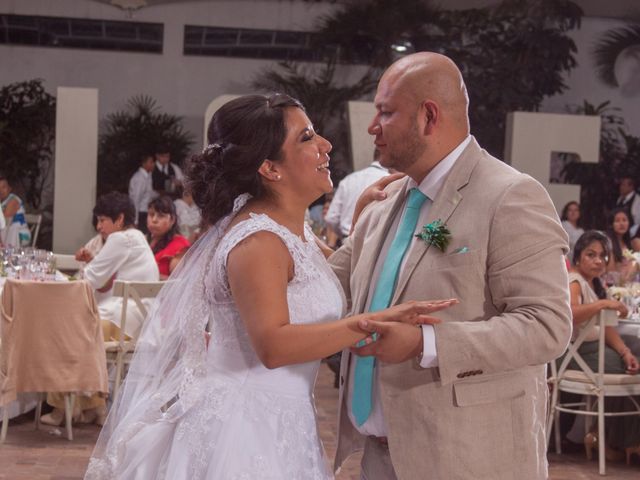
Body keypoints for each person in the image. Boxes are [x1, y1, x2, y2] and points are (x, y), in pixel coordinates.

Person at [84, 94, 455, 480]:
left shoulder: (295, 233)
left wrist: (362, 221)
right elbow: (273, 346)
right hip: (242, 429)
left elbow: (334, 279)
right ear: (269, 168)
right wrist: (369, 323)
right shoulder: (258, 242)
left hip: (283, 421)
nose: (325, 145)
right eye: (307, 138)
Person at [329, 52, 572, 480]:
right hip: (377, 458)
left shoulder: (511, 195)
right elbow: (330, 283)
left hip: (466, 459)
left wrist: (425, 342)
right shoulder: (386, 199)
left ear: (428, 117)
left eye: (385, 112)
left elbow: (547, 325)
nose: (373, 127)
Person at [42, 192, 159, 428]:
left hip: (122, 319)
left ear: (119, 219)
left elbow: (91, 279)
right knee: (76, 329)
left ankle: (63, 408)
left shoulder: (120, 239)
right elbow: (101, 278)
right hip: (138, 320)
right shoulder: (137, 237)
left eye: (103, 220)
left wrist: (57, 281)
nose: (99, 226)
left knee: (64, 334)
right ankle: (95, 406)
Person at [564, 230, 640, 461]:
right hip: (578, 354)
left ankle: (607, 437)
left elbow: (606, 329)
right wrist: (604, 304)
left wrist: (624, 352)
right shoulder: (574, 281)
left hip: (595, 351)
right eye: (591, 254)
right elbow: (571, 314)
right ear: (578, 256)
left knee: (634, 351)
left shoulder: (592, 283)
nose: (598, 260)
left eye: (602, 255)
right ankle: (626, 441)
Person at [325, 149, 389, 241]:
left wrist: (345, 235)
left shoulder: (348, 180)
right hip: (376, 242)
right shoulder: (389, 180)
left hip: (348, 241)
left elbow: (331, 218)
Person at [147, 195, 191, 279]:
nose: (154, 220)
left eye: (161, 216)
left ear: (172, 220)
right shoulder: (143, 240)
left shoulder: (180, 245)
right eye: (151, 214)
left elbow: (177, 283)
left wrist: (145, 277)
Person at [128, 151, 156, 234]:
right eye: (151, 162)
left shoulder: (148, 176)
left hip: (146, 212)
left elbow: (149, 193)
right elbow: (136, 200)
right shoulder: (139, 178)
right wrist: (135, 220)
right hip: (141, 214)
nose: (153, 164)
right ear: (144, 163)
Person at [0, 175, 31, 247]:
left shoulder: (13, 200)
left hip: (19, 234)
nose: (0, 190)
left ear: (9, 188)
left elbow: (4, 219)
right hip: (6, 233)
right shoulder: (2, 202)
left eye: (3, 187)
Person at [605, 208, 635, 280]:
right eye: (617, 221)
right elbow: (610, 272)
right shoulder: (608, 242)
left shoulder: (630, 243)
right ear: (611, 224)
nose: (621, 224)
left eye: (624, 220)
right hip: (613, 282)